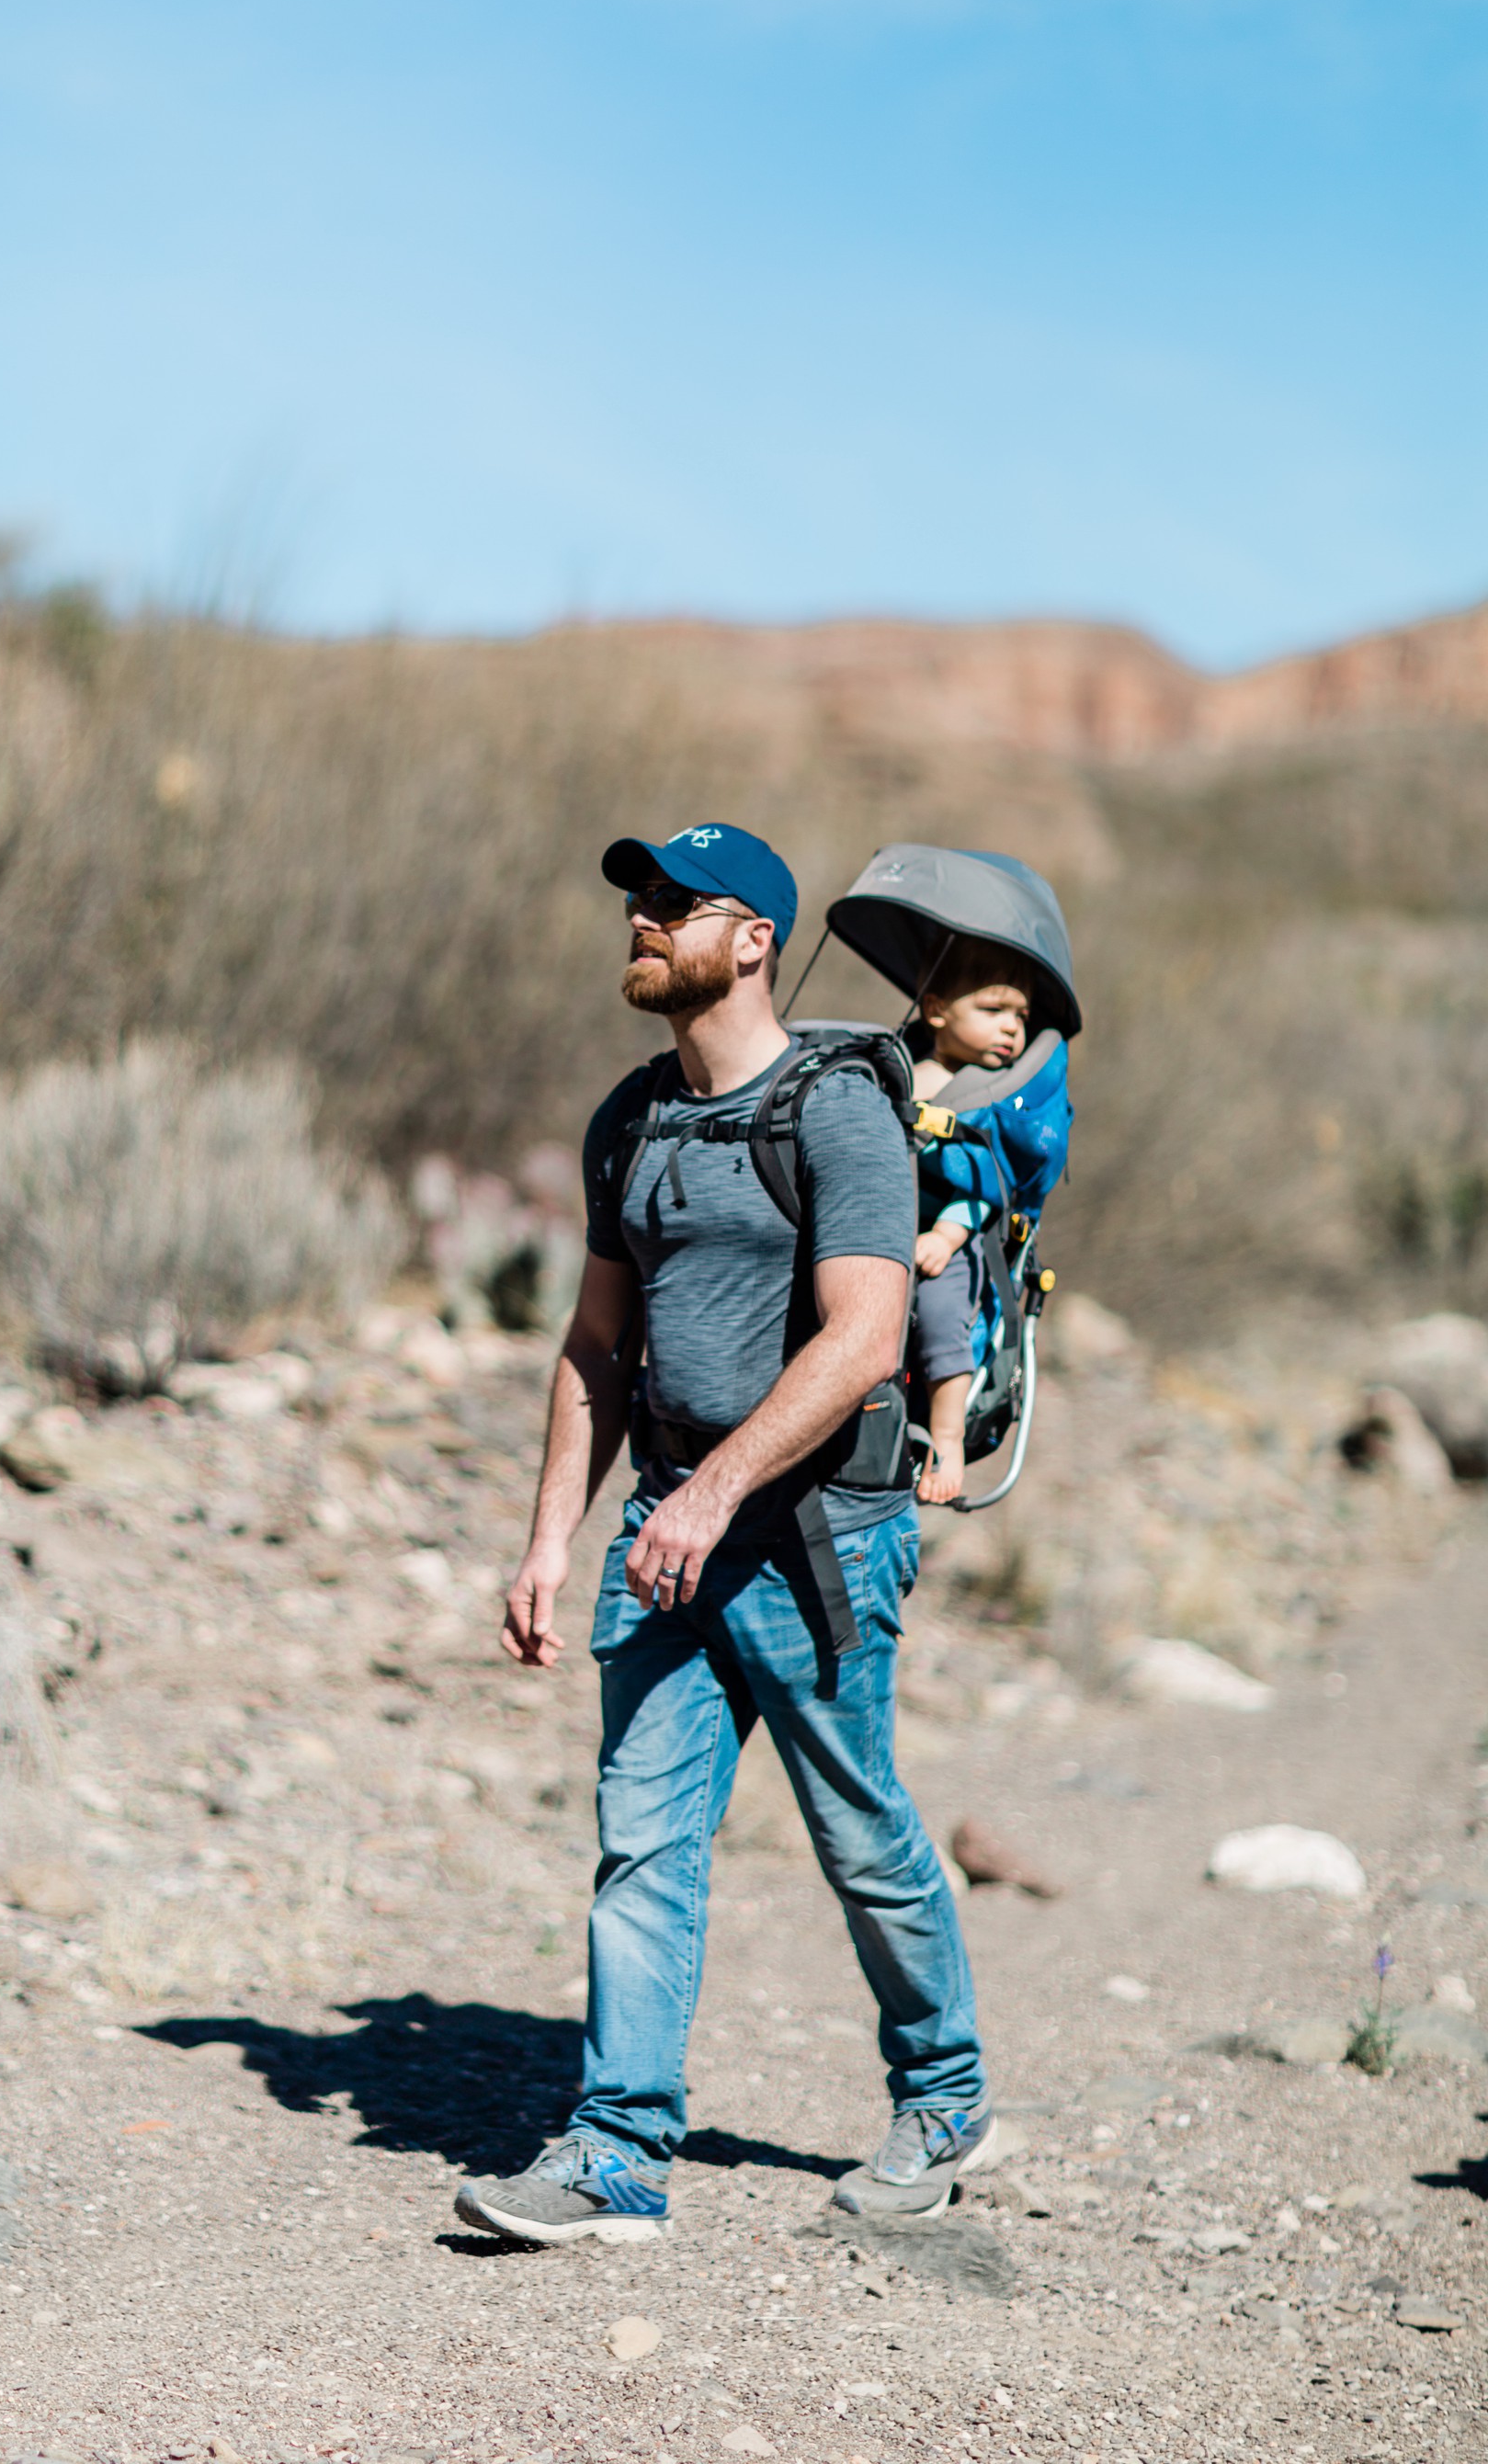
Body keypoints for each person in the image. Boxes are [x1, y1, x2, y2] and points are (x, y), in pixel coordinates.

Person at [454, 823, 994, 2247]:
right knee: (642, 1841)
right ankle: (617, 2151)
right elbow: (594, 1344)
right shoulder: (627, 1119)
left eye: (672, 904)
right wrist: (550, 1542)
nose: (640, 921)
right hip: (660, 1533)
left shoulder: (838, 1111)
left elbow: (868, 1337)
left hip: (815, 1533)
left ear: (752, 937)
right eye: (633, 901)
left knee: (855, 1827)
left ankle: (943, 2095)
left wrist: (712, 1494)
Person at [907, 940, 1034, 1506]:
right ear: (936, 1010)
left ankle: (947, 1438)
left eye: (1020, 1017)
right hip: (886, 1221)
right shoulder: (915, 1074)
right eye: (993, 1010)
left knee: (941, 1316)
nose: (1011, 1028)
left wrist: (947, 1235)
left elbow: (989, 1186)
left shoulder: (992, 1101)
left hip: (950, 1241)